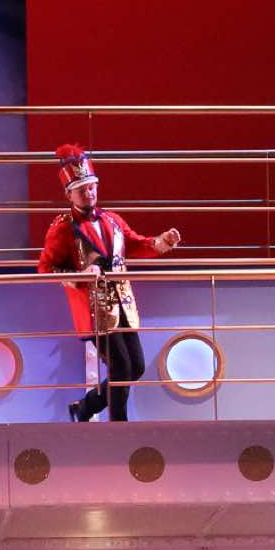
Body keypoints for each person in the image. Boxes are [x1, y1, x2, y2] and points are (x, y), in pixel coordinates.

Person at [38, 144, 183, 423]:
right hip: (94, 310)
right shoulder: (62, 228)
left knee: (135, 366)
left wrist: (161, 241)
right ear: (69, 194)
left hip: (124, 305)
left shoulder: (112, 220)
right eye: (82, 189)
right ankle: (118, 427)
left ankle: (85, 407)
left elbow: (136, 244)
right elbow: (46, 266)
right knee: (120, 367)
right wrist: (80, 276)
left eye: (91, 187)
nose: (89, 193)